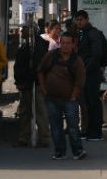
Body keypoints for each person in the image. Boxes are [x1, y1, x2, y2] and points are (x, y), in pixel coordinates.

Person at [37, 32, 87, 160]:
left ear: (73, 44)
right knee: (55, 127)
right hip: (52, 98)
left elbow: (80, 81)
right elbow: (41, 71)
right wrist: (43, 89)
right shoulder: (51, 56)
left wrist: (73, 96)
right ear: (59, 43)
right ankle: (60, 151)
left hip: (69, 99)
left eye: (68, 43)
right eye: (63, 43)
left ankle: (77, 151)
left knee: (73, 126)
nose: (65, 46)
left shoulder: (77, 60)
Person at [13, 22, 51, 148]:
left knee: (40, 111)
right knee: (25, 112)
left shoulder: (38, 45)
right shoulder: (26, 45)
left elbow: (36, 67)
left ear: (30, 30)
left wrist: (26, 82)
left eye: (23, 29)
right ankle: (24, 137)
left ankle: (44, 138)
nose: (21, 31)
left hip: (35, 84)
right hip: (27, 84)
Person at [74, 10, 106, 141]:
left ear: (87, 19)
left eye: (81, 19)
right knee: (87, 102)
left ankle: (96, 132)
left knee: (93, 102)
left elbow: (96, 54)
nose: (79, 22)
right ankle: (89, 130)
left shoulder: (92, 33)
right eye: (77, 20)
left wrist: (85, 69)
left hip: (91, 73)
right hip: (86, 73)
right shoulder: (82, 33)